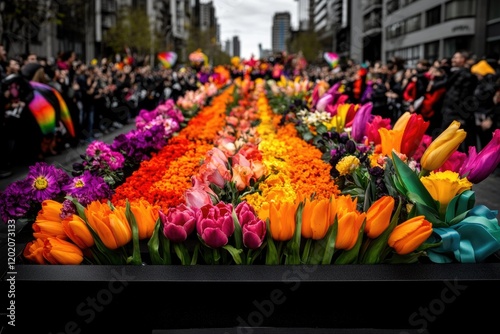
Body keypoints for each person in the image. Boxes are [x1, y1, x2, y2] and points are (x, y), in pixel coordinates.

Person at [438, 50, 478, 151]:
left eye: (456, 57)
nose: (453, 60)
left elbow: (465, 97)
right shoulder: (453, 73)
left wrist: (462, 115)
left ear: (463, 59)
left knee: (456, 144)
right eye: (453, 58)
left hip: (457, 114)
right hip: (449, 111)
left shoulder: (466, 75)